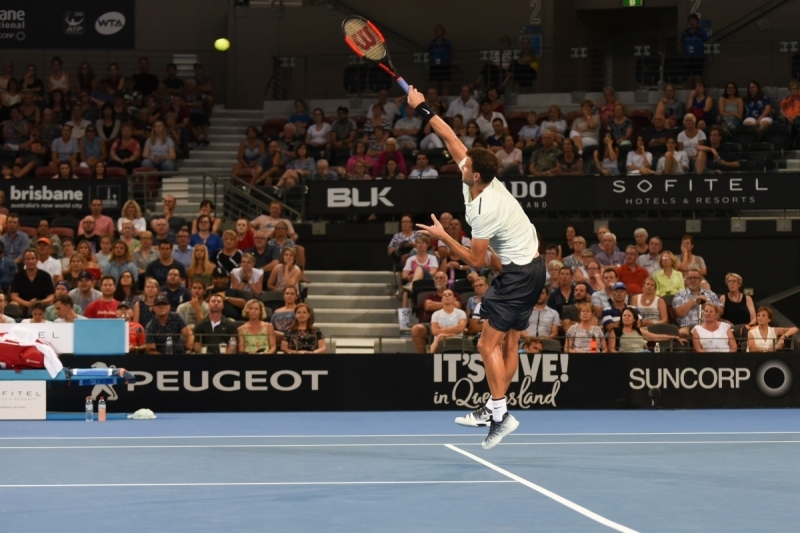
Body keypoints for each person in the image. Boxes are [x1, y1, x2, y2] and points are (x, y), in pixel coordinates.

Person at [409, 84, 544, 449]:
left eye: (467, 165)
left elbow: (474, 260)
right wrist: (422, 108)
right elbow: (450, 136)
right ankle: (496, 408)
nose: (462, 164)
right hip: (532, 267)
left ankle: (500, 415)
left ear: (478, 176)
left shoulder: (485, 209)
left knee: (486, 345)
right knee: (510, 343)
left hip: (517, 275)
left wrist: (444, 236)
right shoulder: (481, 177)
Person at [608, 307, 684, 353]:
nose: (626, 317)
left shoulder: (639, 331)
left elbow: (656, 337)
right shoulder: (615, 331)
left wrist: (674, 337)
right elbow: (611, 349)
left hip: (641, 356)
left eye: (629, 316)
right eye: (624, 315)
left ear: (634, 319)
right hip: (624, 358)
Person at [673, 268, 721, 337]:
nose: (693, 280)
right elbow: (679, 313)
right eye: (690, 278)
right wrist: (695, 299)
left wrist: (706, 305)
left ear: (700, 280)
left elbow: (719, 312)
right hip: (687, 327)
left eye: (695, 278)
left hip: (709, 325)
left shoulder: (710, 294)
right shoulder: (679, 295)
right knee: (682, 333)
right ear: (686, 281)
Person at [10, 250, 56, 316]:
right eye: (27, 259)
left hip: (41, 306)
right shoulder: (17, 276)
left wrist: (39, 303)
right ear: (24, 261)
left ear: (37, 260)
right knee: (13, 304)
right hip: (23, 306)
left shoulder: (45, 276)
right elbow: (14, 296)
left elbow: (51, 297)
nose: (30, 261)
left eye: (33, 258)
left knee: (51, 306)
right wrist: (27, 304)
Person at [681, 14, 710, 79]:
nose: (692, 22)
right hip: (688, 57)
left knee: (697, 76)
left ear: (697, 22)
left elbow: (706, 40)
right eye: (690, 21)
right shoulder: (685, 33)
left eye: (693, 21)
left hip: (698, 57)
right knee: (688, 76)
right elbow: (682, 43)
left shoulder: (702, 32)